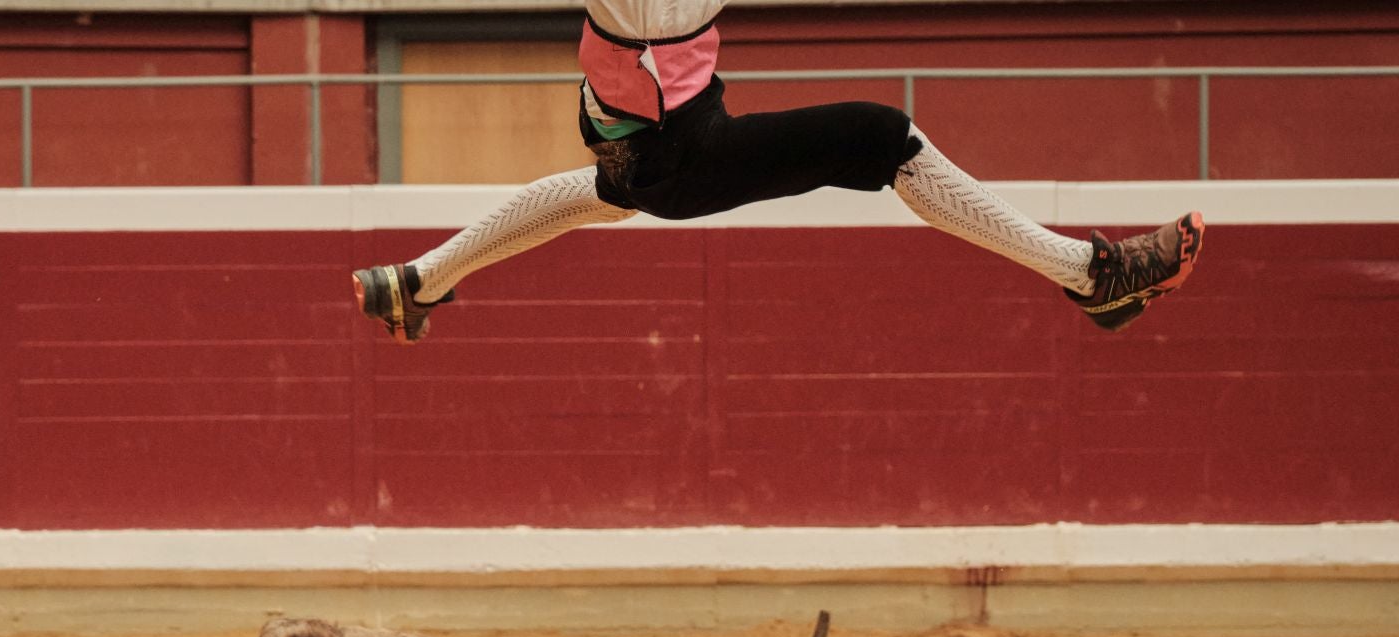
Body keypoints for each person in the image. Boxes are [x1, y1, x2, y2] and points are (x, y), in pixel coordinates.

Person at [354, 0, 1204, 344]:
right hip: (676, 149)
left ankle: (418, 281)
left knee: (596, 198)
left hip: (640, 140)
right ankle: (1093, 277)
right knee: (883, 136)